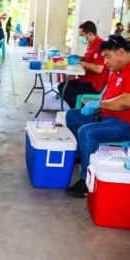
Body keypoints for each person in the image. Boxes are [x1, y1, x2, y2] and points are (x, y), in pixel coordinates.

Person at [65, 35, 130, 198]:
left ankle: (87, 182)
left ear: (120, 52)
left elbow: (125, 101)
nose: (105, 62)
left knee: (87, 132)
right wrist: (99, 107)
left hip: (124, 123)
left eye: (107, 57)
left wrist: (99, 104)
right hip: (107, 116)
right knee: (72, 115)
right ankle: (82, 156)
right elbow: (111, 96)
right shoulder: (117, 69)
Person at [57, 21, 109, 108]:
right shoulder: (92, 44)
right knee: (61, 86)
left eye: (82, 35)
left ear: (89, 34)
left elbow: (98, 69)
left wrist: (80, 62)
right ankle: (78, 108)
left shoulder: (99, 46)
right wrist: (79, 57)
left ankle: (81, 111)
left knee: (66, 91)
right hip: (87, 79)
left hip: (95, 84)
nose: (81, 38)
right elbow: (90, 58)